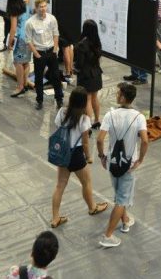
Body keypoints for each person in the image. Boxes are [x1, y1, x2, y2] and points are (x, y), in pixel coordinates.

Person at [96, 83, 149, 248]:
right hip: (128, 164)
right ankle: (108, 235)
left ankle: (125, 221)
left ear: (123, 97)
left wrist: (102, 157)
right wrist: (140, 159)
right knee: (122, 199)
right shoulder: (138, 117)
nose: (116, 95)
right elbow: (145, 140)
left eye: (118, 93)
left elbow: (99, 139)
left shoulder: (110, 115)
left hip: (112, 163)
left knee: (120, 195)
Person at [49, 86, 109, 229]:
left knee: (60, 185)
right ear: (83, 103)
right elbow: (86, 142)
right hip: (76, 154)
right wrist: (88, 157)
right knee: (86, 182)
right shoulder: (84, 119)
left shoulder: (62, 112)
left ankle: (55, 218)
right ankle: (92, 207)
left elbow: (58, 127)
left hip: (62, 152)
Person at [25, 0, 63, 110]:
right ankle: (40, 100)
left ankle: (59, 98)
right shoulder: (30, 23)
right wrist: (36, 54)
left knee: (56, 76)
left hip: (51, 51)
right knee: (38, 78)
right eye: (40, 7)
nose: (43, 9)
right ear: (36, 8)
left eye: (45, 6)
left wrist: (55, 50)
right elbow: (28, 40)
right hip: (39, 53)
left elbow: (56, 34)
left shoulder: (52, 19)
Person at [74, 20, 104, 128]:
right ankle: (96, 120)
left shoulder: (82, 44)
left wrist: (74, 69)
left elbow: (79, 63)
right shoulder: (97, 42)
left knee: (87, 99)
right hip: (96, 74)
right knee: (95, 98)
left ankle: (87, 124)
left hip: (86, 76)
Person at [7, 0, 34, 98]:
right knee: (26, 62)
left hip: (21, 39)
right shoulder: (26, 5)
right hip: (30, 38)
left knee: (17, 62)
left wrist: (10, 42)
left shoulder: (14, 13)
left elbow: (13, 29)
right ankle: (25, 82)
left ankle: (20, 87)